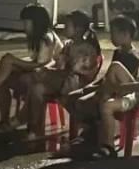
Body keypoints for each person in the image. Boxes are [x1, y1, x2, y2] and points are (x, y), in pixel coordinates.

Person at [73, 24, 139, 158]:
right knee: (115, 66)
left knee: (107, 106)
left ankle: (108, 147)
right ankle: (102, 98)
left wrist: (117, 88)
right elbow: (138, 85)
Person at [0, 4, 63, 135]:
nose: (24, 26)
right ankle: (3, 118)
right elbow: (36, 63)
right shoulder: (38, 37)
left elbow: (41, 65)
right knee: (3, 78)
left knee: (8, 60)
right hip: (39, 74)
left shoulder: (46, 38)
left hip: (48, 79)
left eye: (26, 22)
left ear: (36, 22)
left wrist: (15, 62)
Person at [23, 10, 102, 141]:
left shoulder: (87, 49)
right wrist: (52, 67)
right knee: (36, 88)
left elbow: (76, 72)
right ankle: (35, 128)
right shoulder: (69, 45)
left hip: (76, 84)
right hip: (64, 80)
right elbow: (60, 65)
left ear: (78, 29)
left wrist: (52, 71)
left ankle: (22, 119)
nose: (64, 28)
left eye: (67, 25)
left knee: (37, 77)